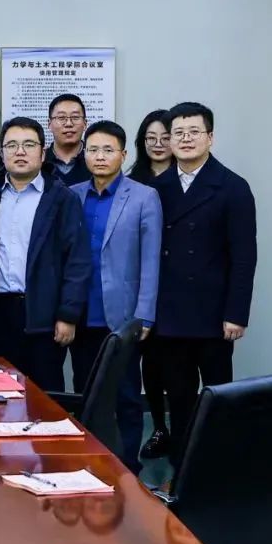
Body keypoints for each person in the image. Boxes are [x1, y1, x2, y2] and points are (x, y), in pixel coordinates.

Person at [152, 102, 256, 464]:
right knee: (178, 396)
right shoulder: (158, 187)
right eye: (178, 133)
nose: (186, 139)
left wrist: (236, 313)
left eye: (194, 132)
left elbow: (244, 257)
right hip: (170, 312)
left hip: (214, 314)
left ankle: (217, 466)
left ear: (210, 138)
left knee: (217, 394)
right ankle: (181, 467)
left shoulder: (232, 187)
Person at [69, 120, 162, 474]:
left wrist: (145, 315)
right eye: (93, 149)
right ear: (84, 154)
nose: (100, 156)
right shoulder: (72, 195)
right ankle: (89, 466)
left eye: (108, 150)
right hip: (81, 314)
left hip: (123, 317)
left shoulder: (144, 197)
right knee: (86, 395)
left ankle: (128, 469)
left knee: (126, 397)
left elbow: (150, 261)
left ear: (123, 154)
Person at [0, 116, 90, 392]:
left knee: (44, 395)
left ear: (42, 153)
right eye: (12, 145)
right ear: (2, 152)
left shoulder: (62, 198)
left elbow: (77, 261)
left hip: (43, 314)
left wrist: (68, 315)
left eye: (29, 145)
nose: (20, 152)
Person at [129, 109, 175, 460]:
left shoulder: (183, 179)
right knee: (150, 365)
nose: (158, 144)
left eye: (165, 138)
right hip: (141, 288)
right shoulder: (134, 181)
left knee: (178, 365)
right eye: (150, 138)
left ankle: (185, 432)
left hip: (175, 286)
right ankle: (159, 429)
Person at [46, 94, 91, 186]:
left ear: (85, 124)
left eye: (75, 117)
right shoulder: (39, 160)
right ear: (49, 124)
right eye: (61, 118)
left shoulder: (96, 159)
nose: (69, 124)